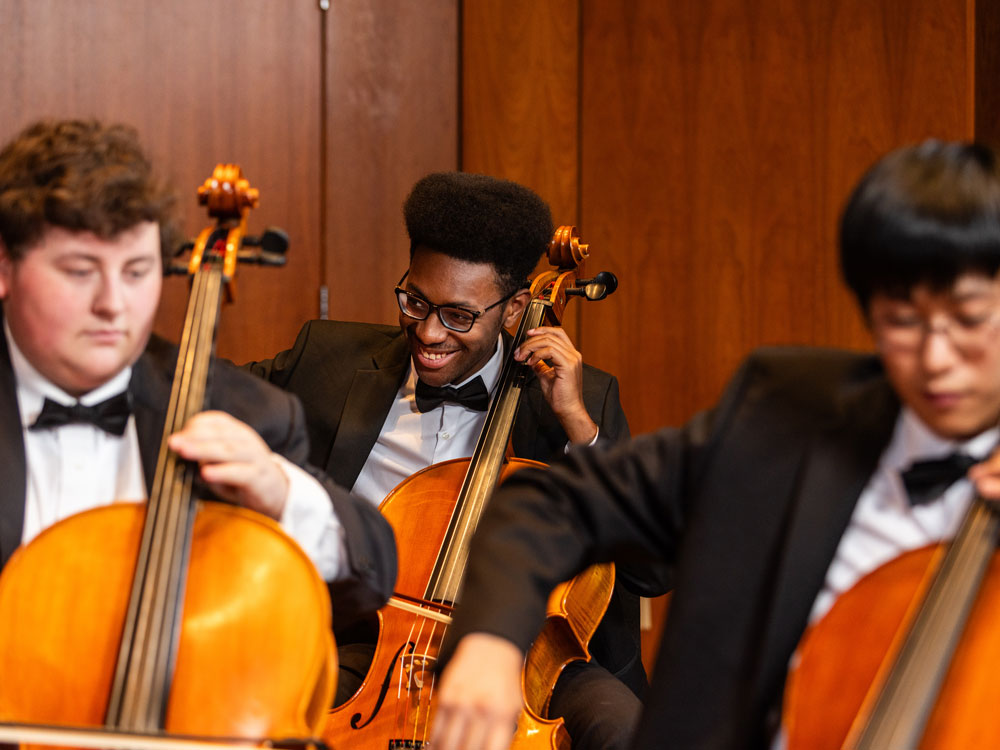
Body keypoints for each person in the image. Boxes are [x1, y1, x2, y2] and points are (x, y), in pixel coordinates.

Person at [429, 139, 1000, 750]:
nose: (937, 360)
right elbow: (549, 504)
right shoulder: (786, 415)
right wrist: (490, 641)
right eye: (903, 321)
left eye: (969, 319)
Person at [244, 171, 669, 750]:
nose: (427, 331)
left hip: (530, 660)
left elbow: (651, 571)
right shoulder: (328, 358)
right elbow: (196, 395)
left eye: (458, 315)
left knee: (625, 733)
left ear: (516, 307)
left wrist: (578, 428)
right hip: (370, 648)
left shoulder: (580, 398)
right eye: (415, 300)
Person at [0, 118, 396, 624]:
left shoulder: (238, 410)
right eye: (80, 272)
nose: (113, 305)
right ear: (6, 268)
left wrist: (280, 494)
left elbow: (372, 573)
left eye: (137, 272)